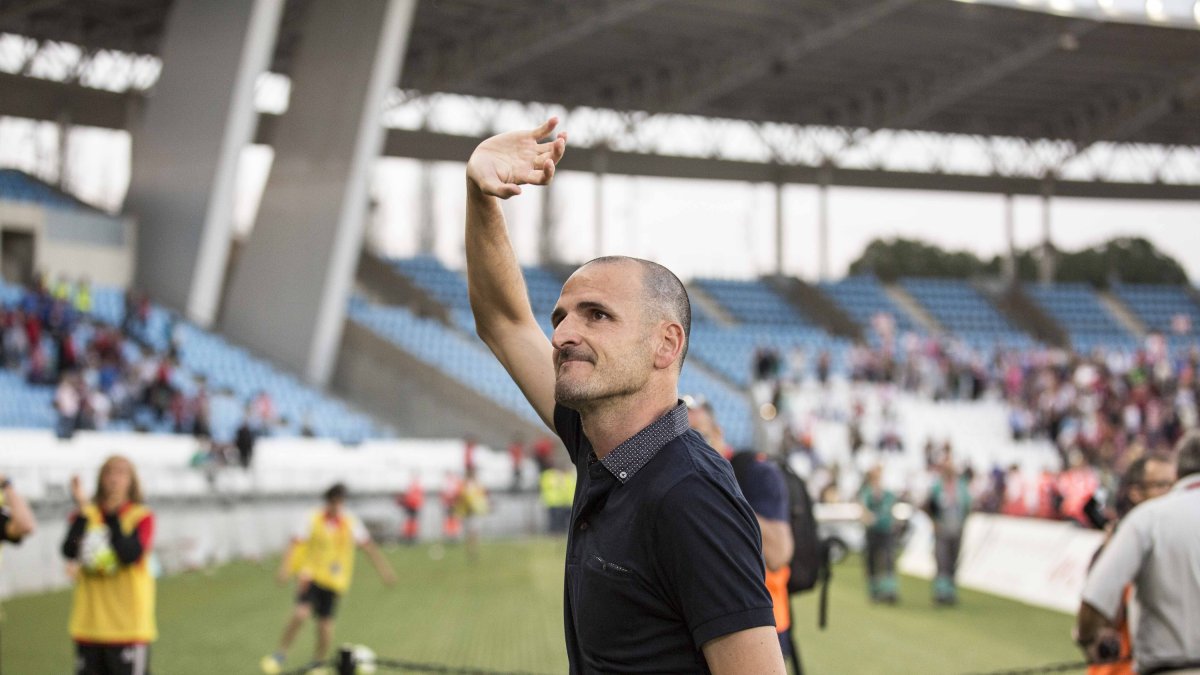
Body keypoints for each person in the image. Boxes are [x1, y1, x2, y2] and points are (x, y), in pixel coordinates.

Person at [465, 118, 783, 673]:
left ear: (666, 344)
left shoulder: (692, 498)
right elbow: (504, 319)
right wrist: (480, 195)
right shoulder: (599, 445)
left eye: (597, 315)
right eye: (561, 316)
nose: (563, 333)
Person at [1076, 433, 1200, 674]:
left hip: (1164, 665)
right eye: (1159, 484)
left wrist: (1088, 641)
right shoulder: (1139, 523)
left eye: (1168, 483)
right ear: (1136, 491)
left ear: (1178, 473)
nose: (1166, 490)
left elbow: (1094, 600)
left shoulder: (1147, 520)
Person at [261, 483, 397, 674]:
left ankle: (318, 662)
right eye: (334, 502)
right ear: (328, 502)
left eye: (340, 502)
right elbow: (295, 543)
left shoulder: (350, 522)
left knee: (325, 626)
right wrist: (285, 569)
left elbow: (368, 547)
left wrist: (384, 570)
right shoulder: (313, 518)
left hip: (334, 581)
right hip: (311, 575)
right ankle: (279, 654)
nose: (337, 506)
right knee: (300, 614)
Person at [60, 456, 156, 675]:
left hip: (129, 628)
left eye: (122, 473)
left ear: (132, 480)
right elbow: (70, 548)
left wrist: (111, 515)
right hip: (89, 627)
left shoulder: (141, 516)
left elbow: (129, 553)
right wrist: (84, 511)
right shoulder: (86, 515)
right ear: (100, 478)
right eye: (109, 473)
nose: (114, 479)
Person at [1086, 454, 1176, 675]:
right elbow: (1098, 612)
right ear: (1136, 493)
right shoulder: (1121, 544)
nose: (1172, 492)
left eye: (1174, 484)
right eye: (1162, 485)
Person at [927, 458, 971, 605]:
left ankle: (950, 592)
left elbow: (967, 506)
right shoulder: (937, 487)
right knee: (942, 560)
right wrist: (934, 522)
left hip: (957, 528)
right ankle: (941, 592)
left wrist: (963, 522)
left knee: (953, 560)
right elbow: (929, 505)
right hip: (942, 528)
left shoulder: (961, 486)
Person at [860, 466, 899, 604]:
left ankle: (889, 590)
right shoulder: (867, 493)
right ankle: (874, 590)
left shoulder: (887, 494)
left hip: (885, 530)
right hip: (872, 531)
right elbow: (864, 510)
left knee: (888, 558)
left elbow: (890, 509)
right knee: (871, 560)